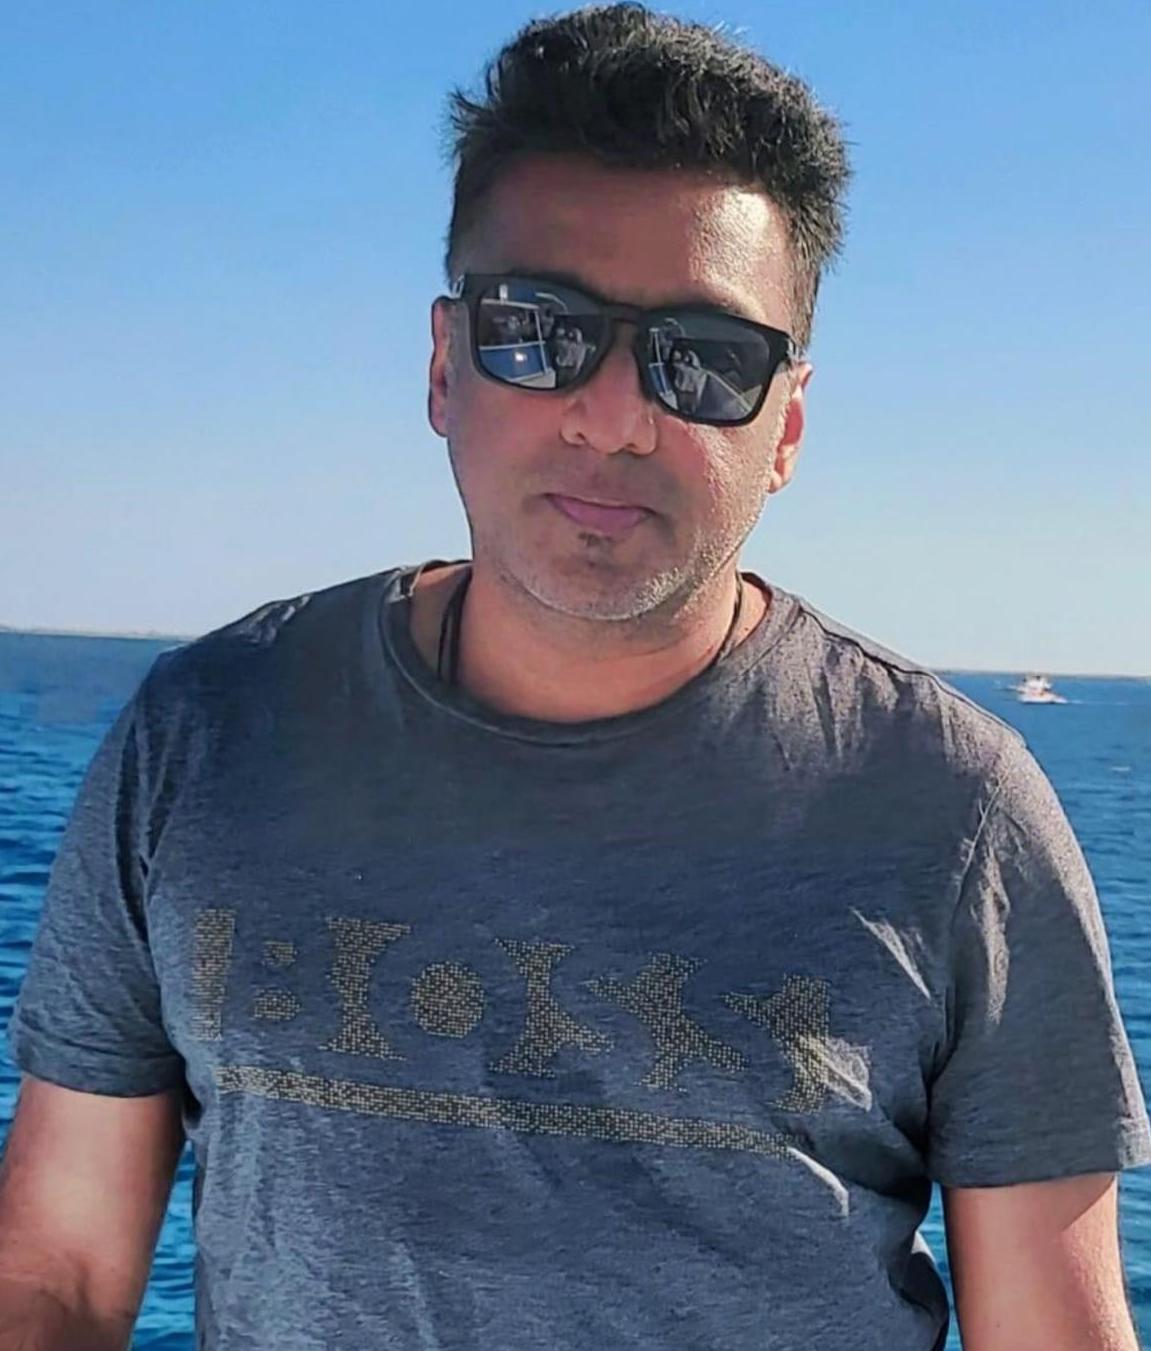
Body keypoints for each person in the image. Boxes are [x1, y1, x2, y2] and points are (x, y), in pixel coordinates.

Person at [2, 5, 1149, 1350]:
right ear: (445, 366)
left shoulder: (953, 810)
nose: (613, 418)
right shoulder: (204, 736)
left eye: (703, 361)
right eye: (539, 331)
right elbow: (58, 1275)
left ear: (786, 428)